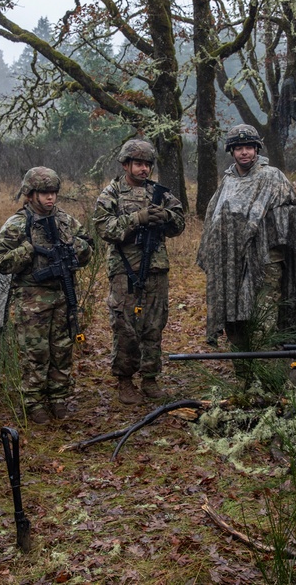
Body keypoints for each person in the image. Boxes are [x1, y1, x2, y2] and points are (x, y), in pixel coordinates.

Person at [197, 124, 296, 377]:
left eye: (249, 147)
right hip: (231, 264)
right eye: (239, 148)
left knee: (263, 319)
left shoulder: (272, 177)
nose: (244, 153)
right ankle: (245, 375)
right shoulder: (227, 181)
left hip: (266, 262)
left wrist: (269, 222)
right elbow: (213, 218)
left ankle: (268, 377)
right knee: (234, 318)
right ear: (232, 151)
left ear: (256, 149)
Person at [0, 167, 93, 424]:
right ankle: (33, 402)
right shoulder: (18, 223)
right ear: (30, 194)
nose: (50, 198)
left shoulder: (65, 221)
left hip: (63, 295)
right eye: (44, 193)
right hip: (32, 299)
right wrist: (28, 251)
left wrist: (75, 248)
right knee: (35, 353)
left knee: (62, 349)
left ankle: (58, 398)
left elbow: (88, 247)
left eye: (53, 192)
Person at [93, 139, 186, 404]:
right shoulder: (111, 193)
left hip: (156, 268)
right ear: (126, 165)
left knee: (154, 325)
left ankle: (150, 378)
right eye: (138, 164)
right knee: (125, 326)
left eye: (147, 164)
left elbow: (179, 223)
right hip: (125, 270)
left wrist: (166, 218)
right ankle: (125, 380)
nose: (143, 169)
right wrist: (137, 219)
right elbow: (104, 229)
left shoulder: (160, 194)